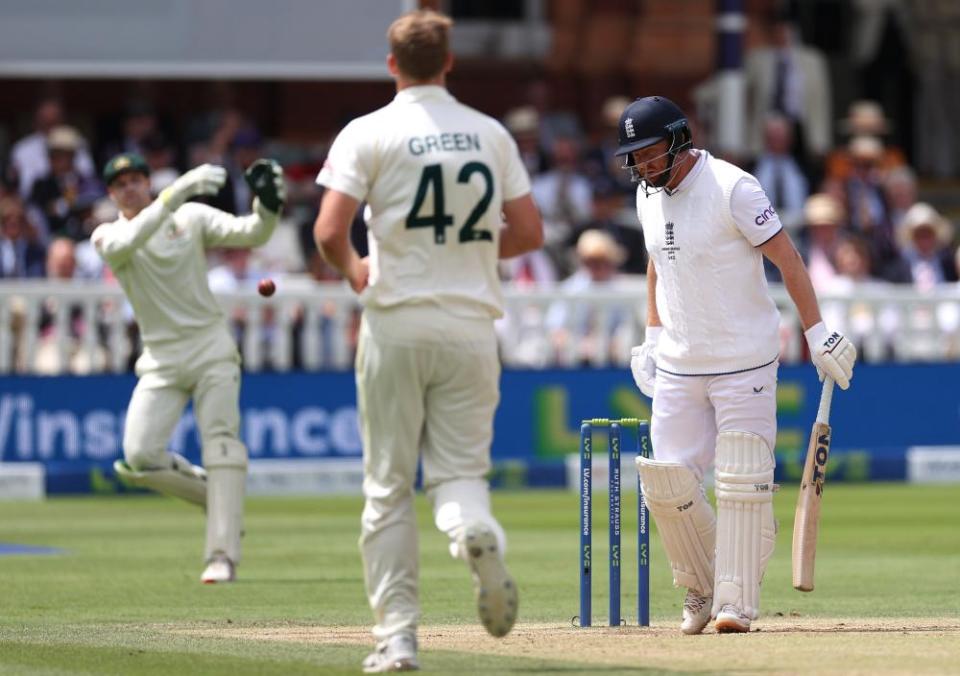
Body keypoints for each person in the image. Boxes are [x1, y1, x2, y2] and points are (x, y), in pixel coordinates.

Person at [313, 9, 543, 672]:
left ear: (392, 65)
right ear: (449, 62)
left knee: (387, 486)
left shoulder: (369, 132)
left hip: (397, 321)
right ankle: (472, 532)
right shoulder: (489, 133)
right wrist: (466, 248)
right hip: (471, 326)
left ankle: (398, 637)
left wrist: (359, 272)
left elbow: (330, 232)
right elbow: (528, 233)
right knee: (461, 477)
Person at [619, 96, 857, 635]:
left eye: (650, 152)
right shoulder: (645, 195)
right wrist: (653, 335)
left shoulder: (733, 187)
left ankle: (736, 602)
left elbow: (788, 259)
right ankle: (701, 587)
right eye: (634, 157)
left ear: (679, 140)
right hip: (680, 363)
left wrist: (816, 331)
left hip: (744, 361)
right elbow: (657, 263)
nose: (643, 165)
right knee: (666, 485)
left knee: (743, 479)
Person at [92, 151, 285, 583]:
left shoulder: (190, 218)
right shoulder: (106, 236)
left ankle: (222, 556)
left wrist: (267, 205)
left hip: (211, 348)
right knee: (138, 457)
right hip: (160, 360)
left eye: (137, 179)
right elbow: (127, 245)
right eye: (121, 183)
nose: (130, 188)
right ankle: (218, 498)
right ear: (112, 193)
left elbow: (253, 233)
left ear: (146, 181)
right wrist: (176, 192)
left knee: (221, 444)